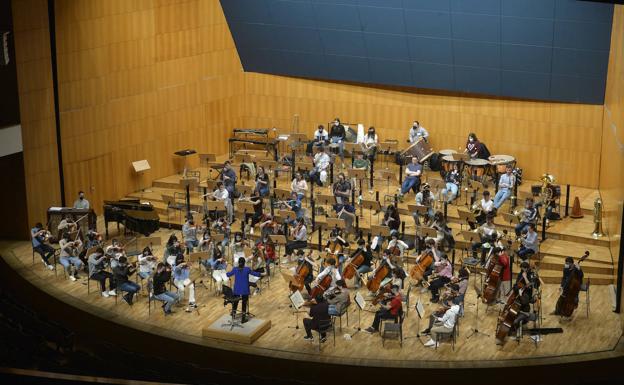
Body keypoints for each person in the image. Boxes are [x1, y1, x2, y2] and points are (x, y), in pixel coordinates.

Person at [226, 257, 262, 323]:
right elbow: (254, 273)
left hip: (237, 290)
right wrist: (260, 274)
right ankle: (243, 319)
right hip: (245, 290)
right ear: (244, 263)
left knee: (235, 302)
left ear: (238, 263)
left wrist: (227, 271)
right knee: (244, 303)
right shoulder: (247, 269)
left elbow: (228, 275)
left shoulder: (235, 269)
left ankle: (233, 315)